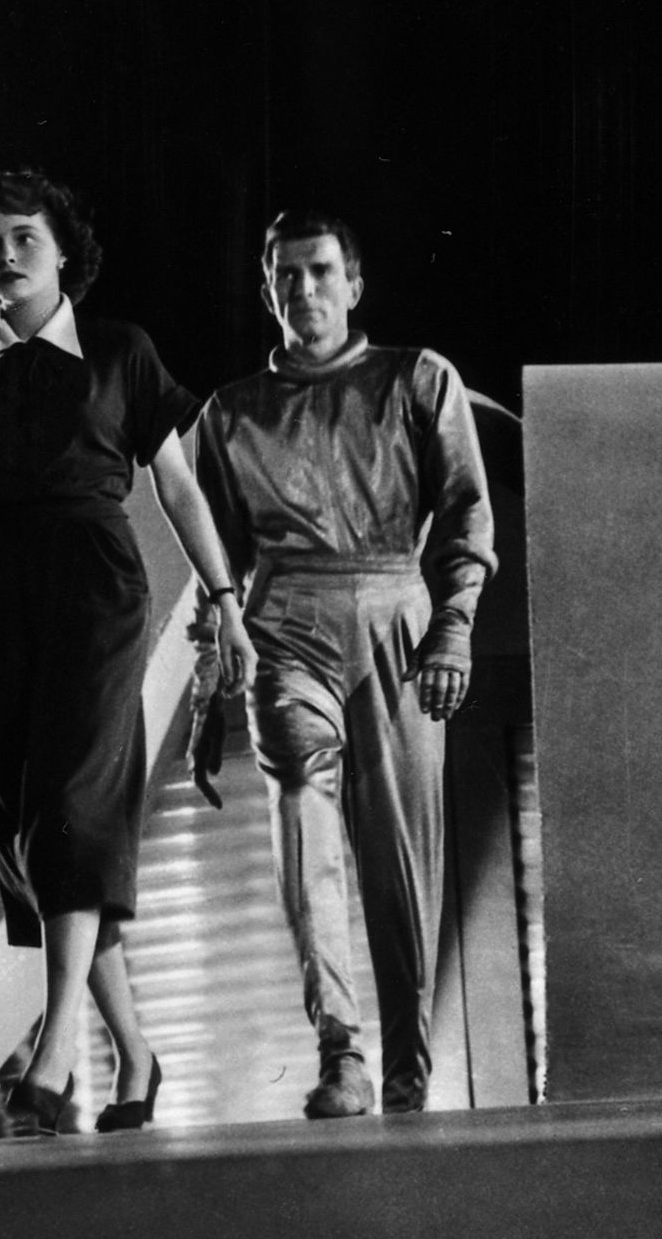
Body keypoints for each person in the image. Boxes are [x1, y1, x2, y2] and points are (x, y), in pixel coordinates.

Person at [0, 170, 254, 1136]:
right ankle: (135, 1054)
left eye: (24, 237)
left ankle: (56, 1050)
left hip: (93, 587)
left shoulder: (119, 351)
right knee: (32, 833)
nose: (4, 255)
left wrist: (224, 599)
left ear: (63, 250)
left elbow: (178, 487)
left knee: (71, 807)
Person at [187, 210, 494, 1118]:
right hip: (284, 619)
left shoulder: (418, 379)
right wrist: (208, 688)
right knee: (304, 824)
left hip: (395, 611)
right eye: (286, 274)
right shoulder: (231, 414)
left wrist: (455, 625)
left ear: (354, 284)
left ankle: (407, 1065)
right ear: (267, 290)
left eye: (321, 271)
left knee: (401, 855)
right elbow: (215, 568)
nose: (304, 290)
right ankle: (341, 1053)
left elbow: (465, 506)